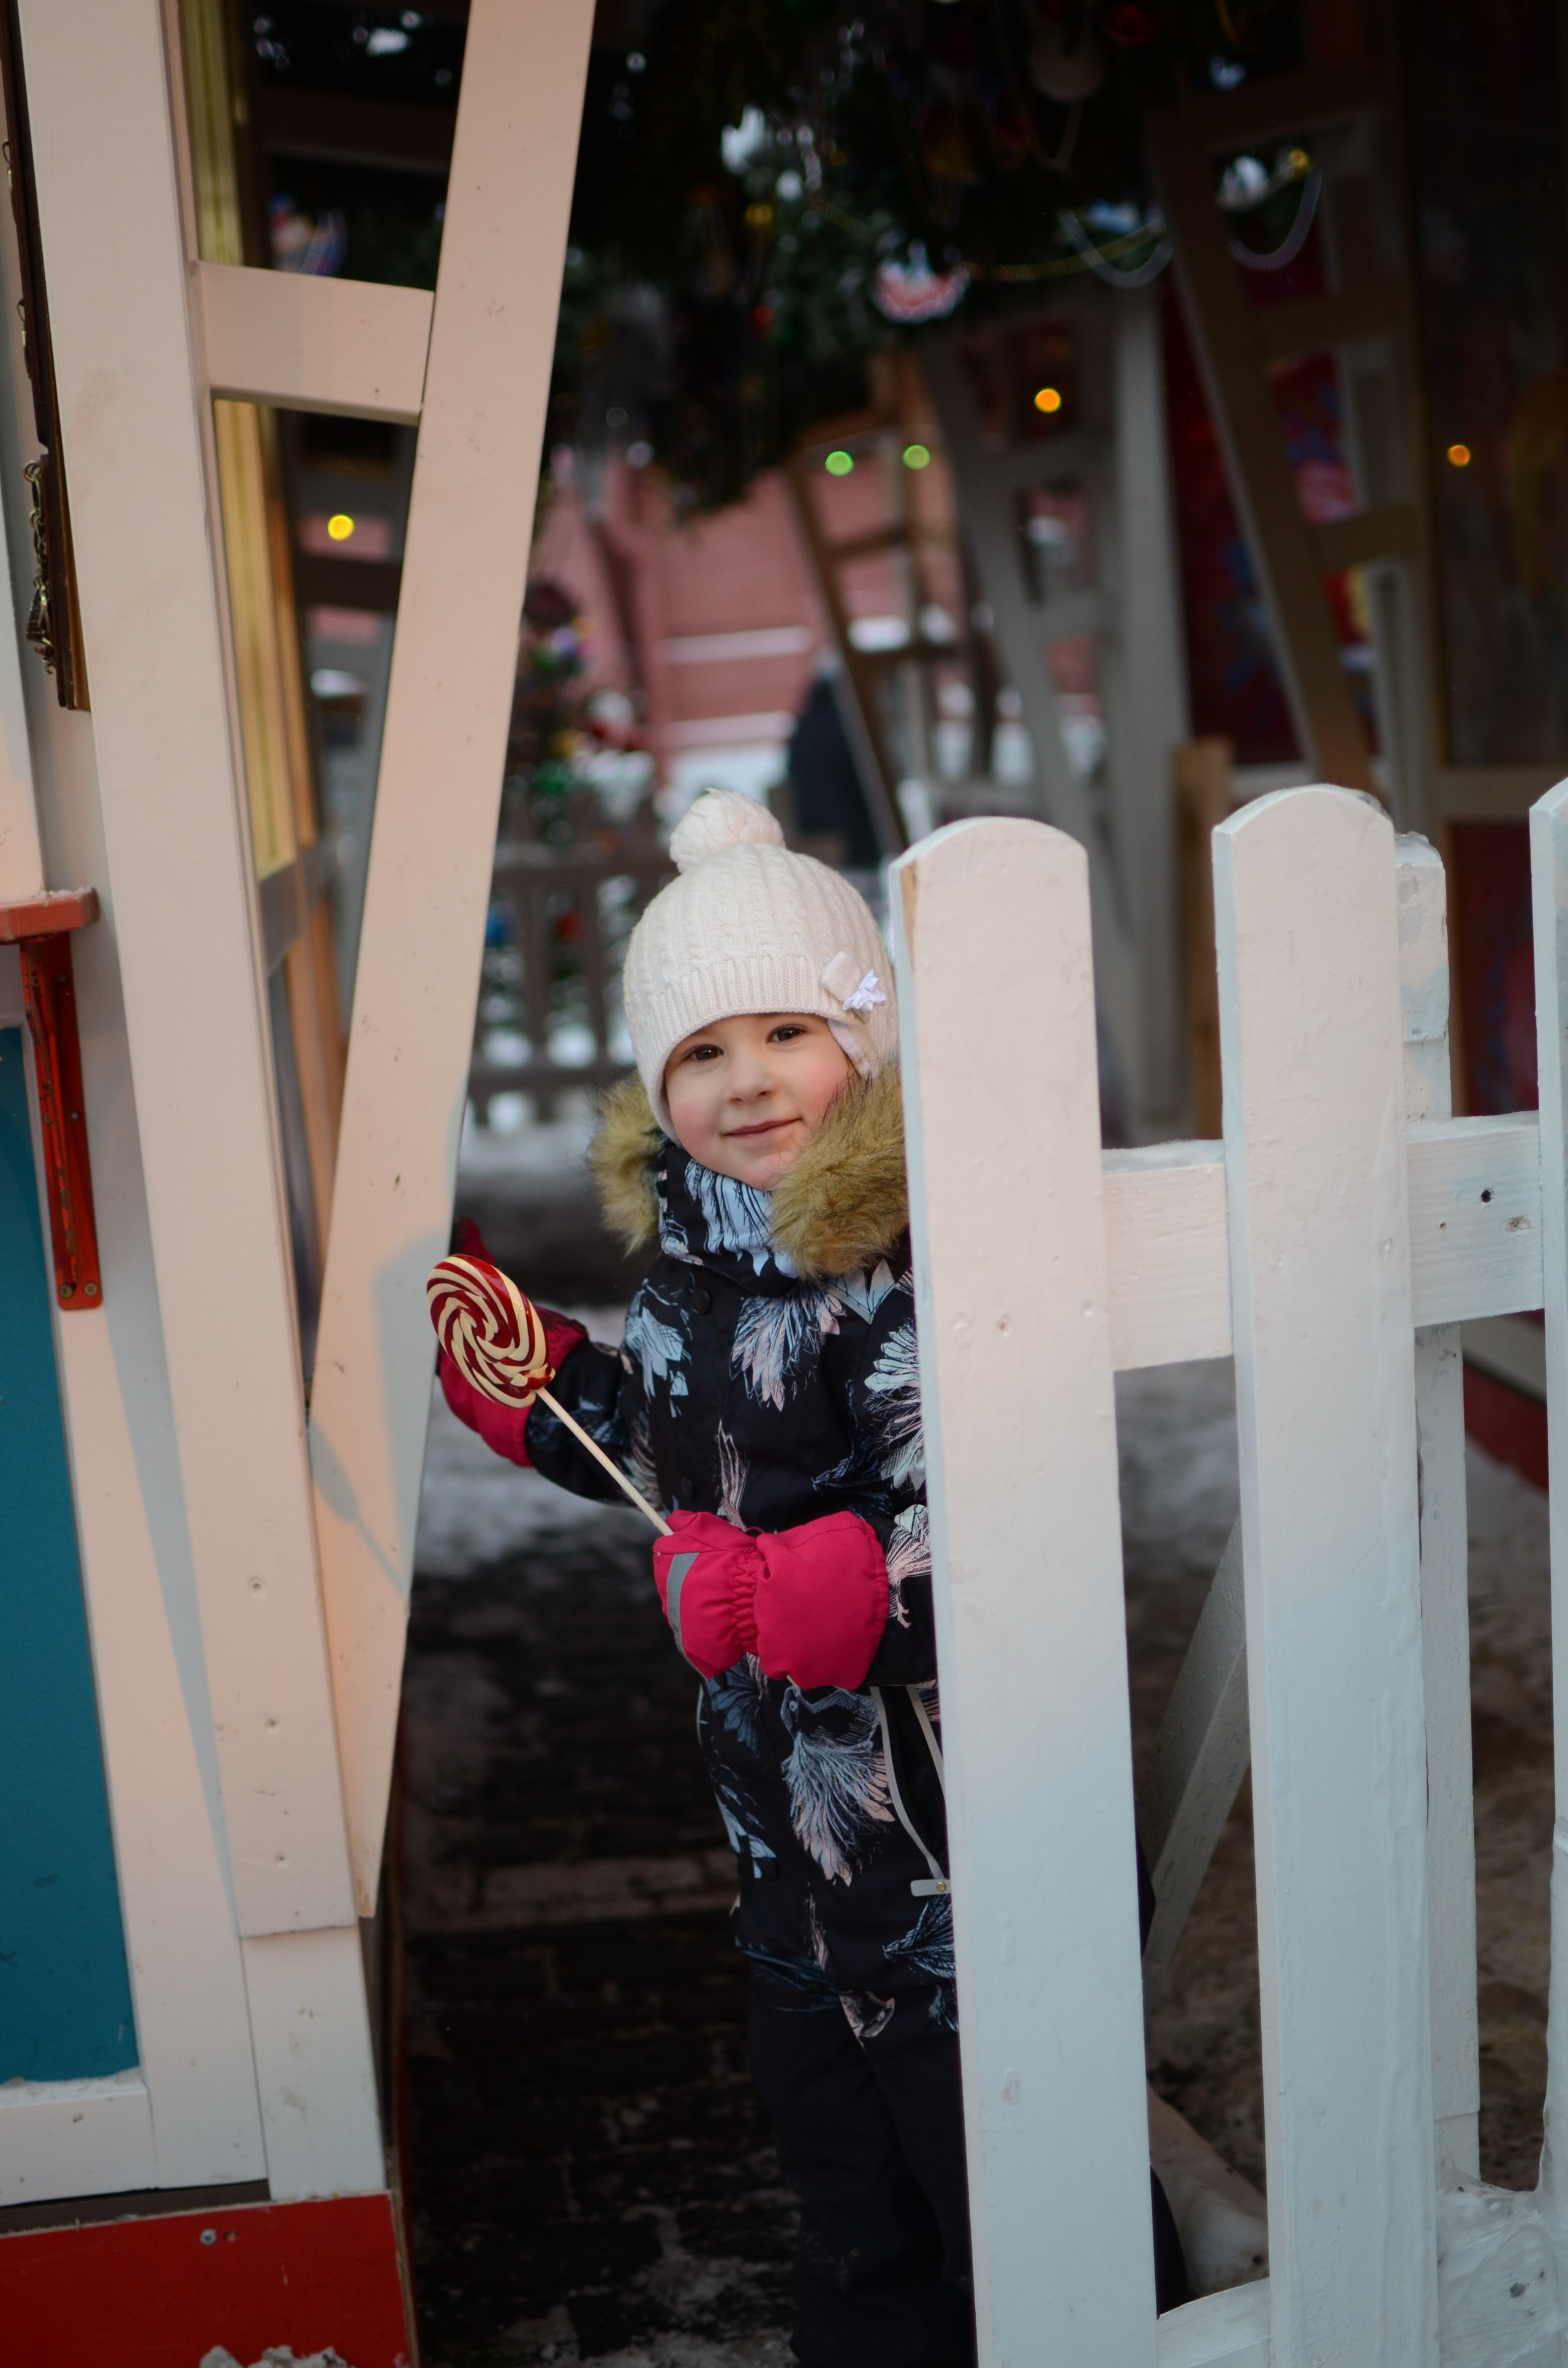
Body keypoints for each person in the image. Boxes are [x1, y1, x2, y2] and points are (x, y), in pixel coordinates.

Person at [439, 787, 1186, 2365]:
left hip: (956, 1858)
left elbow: (1001, 1509)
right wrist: (550, 1390)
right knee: (845, 2191)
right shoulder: (685, 1276)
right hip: (785, 1859)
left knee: (1019, 2186)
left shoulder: (913, 1262)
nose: (746, 1080)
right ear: (658, 1087)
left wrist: (823, 1591)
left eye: (784, 1031)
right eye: (701, 1052)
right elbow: (665, 1451)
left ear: (862, 1038)